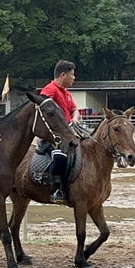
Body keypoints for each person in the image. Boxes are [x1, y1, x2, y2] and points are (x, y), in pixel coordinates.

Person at [39, 60, 81, 203]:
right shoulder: (50, 90)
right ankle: (56, 190)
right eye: (72, 75)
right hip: (53, 137)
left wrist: (75, 117)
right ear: (63, 75)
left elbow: (74, 109)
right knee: (60, 157)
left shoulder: (67, 94)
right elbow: (41, 109)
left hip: (67, 134)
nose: (74, 78)